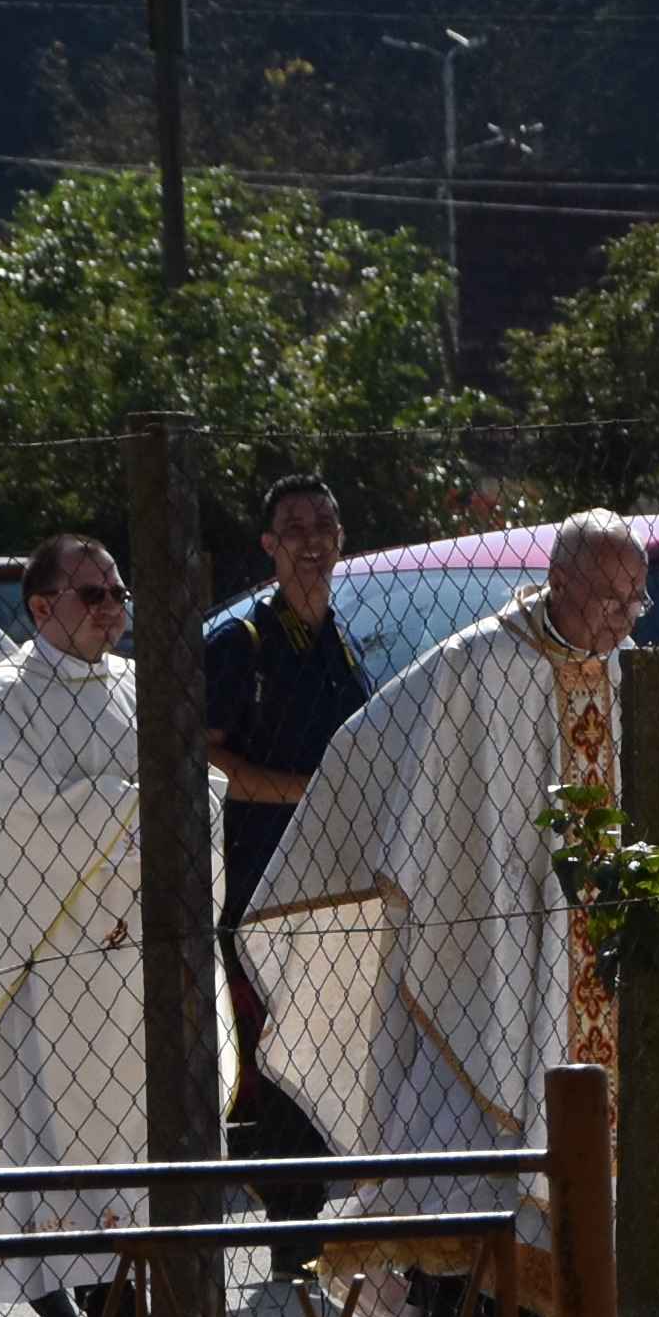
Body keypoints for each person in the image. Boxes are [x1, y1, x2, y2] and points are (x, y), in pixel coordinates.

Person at [236, 507, 649, 1317]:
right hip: (485, 954)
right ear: (558, 583)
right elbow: (366, 746)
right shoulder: (481, 667)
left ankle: (583, 1306)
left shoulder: (631, 674)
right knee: (475, 1119)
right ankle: (474, 1310)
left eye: (636, 602)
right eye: (608, 599)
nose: (621, 619)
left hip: (589, 948)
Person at [0, 530, 170, 1317]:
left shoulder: (138, 689)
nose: (111, 610)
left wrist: (157, 801)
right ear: (41, 607)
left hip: (129, 950)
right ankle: (93, 1289)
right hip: (48, 954)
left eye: (118, 593)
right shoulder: (5, 700)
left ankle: (121, 1272)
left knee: (132, 1121)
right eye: (91, 595)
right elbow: (22, 819)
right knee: (54, 1120)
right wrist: (126, 804)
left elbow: (179, 791)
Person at [200, 475, 372, 1263]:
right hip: (258, 884)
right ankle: (291, 1234)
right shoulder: (241, 646)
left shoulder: (342, 642)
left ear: (341, 540)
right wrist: (305, 796)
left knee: (329, 1044)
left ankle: (321, 1221)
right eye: (292, 527)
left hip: (333, 888)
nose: (310, 538)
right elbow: (203, 759)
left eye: (322, 524)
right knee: (274, 1055)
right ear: (269, 547)